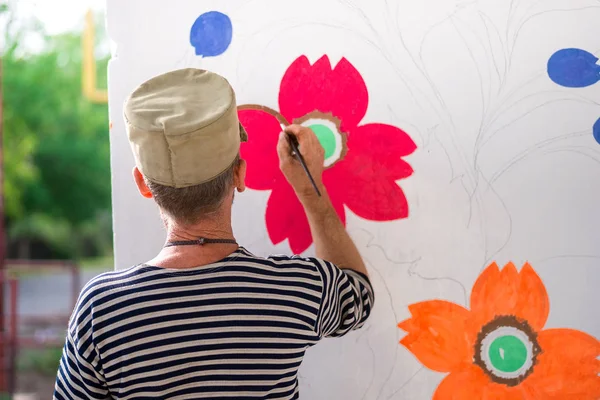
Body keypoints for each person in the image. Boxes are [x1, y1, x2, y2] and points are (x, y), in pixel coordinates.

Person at [54, 68, 374, 400]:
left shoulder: (101, 309)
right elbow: (360, 293)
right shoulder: (296, 290)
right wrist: (311, 190)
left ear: (142, 184)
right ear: (240, 174)